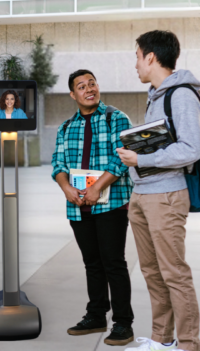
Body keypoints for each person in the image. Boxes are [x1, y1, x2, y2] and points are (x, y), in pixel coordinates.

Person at [117, 30, 200, 351]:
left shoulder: (180, 93)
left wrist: (141, 157)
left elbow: (191, 148)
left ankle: (189, 344)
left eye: (137, 57)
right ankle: (162, 340)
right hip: (143, 194)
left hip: (165, 196)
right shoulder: (156, 93)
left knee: (173, 273)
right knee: (152, 272)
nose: (135, 64)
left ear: (151, 57)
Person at [52, 69, 134, 346]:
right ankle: (96, 315)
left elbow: (122, 158)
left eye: (92, 83)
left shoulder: (115, 118)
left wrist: (97, 186)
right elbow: (58, 164)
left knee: (114, 263)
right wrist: (66, 188)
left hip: (111, 203)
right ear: (73, 94)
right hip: (78, 206)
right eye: (81, 86)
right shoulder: (66, 127)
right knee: (92, 264)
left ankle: (123, 323)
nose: (89, 89)